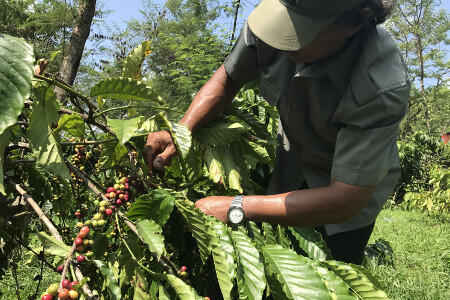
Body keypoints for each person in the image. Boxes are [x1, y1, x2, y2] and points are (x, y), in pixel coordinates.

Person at [143, 0, 410, 264]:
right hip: (291, 167)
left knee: (332, 270)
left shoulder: (382, 86)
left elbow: (345, 200)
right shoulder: (271, 23)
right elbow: (228, 78)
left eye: (301, 29)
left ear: (356, 21)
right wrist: (181, 130)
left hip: (345, 194)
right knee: (275, 262)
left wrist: (237, 206)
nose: (282, 38)